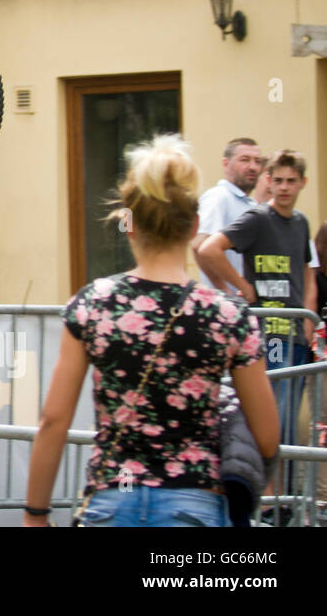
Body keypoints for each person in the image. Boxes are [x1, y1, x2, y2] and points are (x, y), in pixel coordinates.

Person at [24, 134, 278, 527]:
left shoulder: (94, 303)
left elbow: (54, 421)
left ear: (128, 223)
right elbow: (266, 437)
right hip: (195, 502)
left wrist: (35, 514)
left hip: (114, 495)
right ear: (195, 225)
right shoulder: (228, 315)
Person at [198, 150, 318, 463]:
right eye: (277, 180)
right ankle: (267, 501)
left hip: (294, 332)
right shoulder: (258, 218)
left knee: (290, 418)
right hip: (267, 333)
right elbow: (209, 249)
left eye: (291, 181)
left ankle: (284, 501)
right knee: (271, 417)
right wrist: (241, 286)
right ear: (268, 181)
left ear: (302, 183)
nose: (283, 187)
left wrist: (308, 317)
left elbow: (306, 267)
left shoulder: (301, 223)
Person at [190, 137, 262, 289]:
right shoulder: (219, 197)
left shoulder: (252, 204)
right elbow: (198, 245)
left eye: (257, 161)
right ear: (226, 164)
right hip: (226, 307)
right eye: (245, 160)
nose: (253, 167)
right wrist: (222, 290)